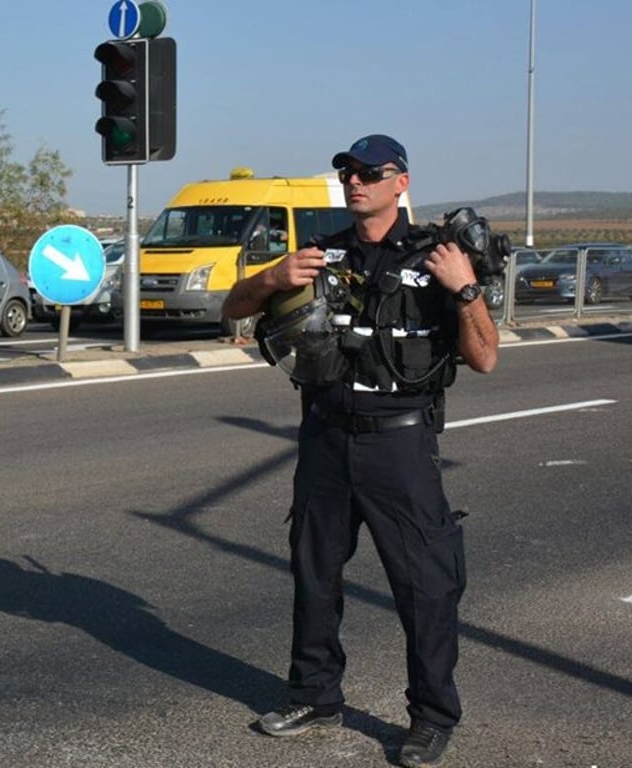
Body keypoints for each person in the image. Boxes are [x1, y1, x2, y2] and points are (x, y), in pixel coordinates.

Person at [222, 135, 498, 768]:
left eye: (370, 173)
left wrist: (464, 288)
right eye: (347, 171)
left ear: (400, 182)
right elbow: (231, 312)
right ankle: (315, 696)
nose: (354, 181)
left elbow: (484, 356)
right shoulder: (323, 254)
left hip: (398, 442)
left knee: (425, 586)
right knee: (315, 575)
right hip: (324, 436)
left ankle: (431, 717)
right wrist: (270, 278)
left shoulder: (438, 258)